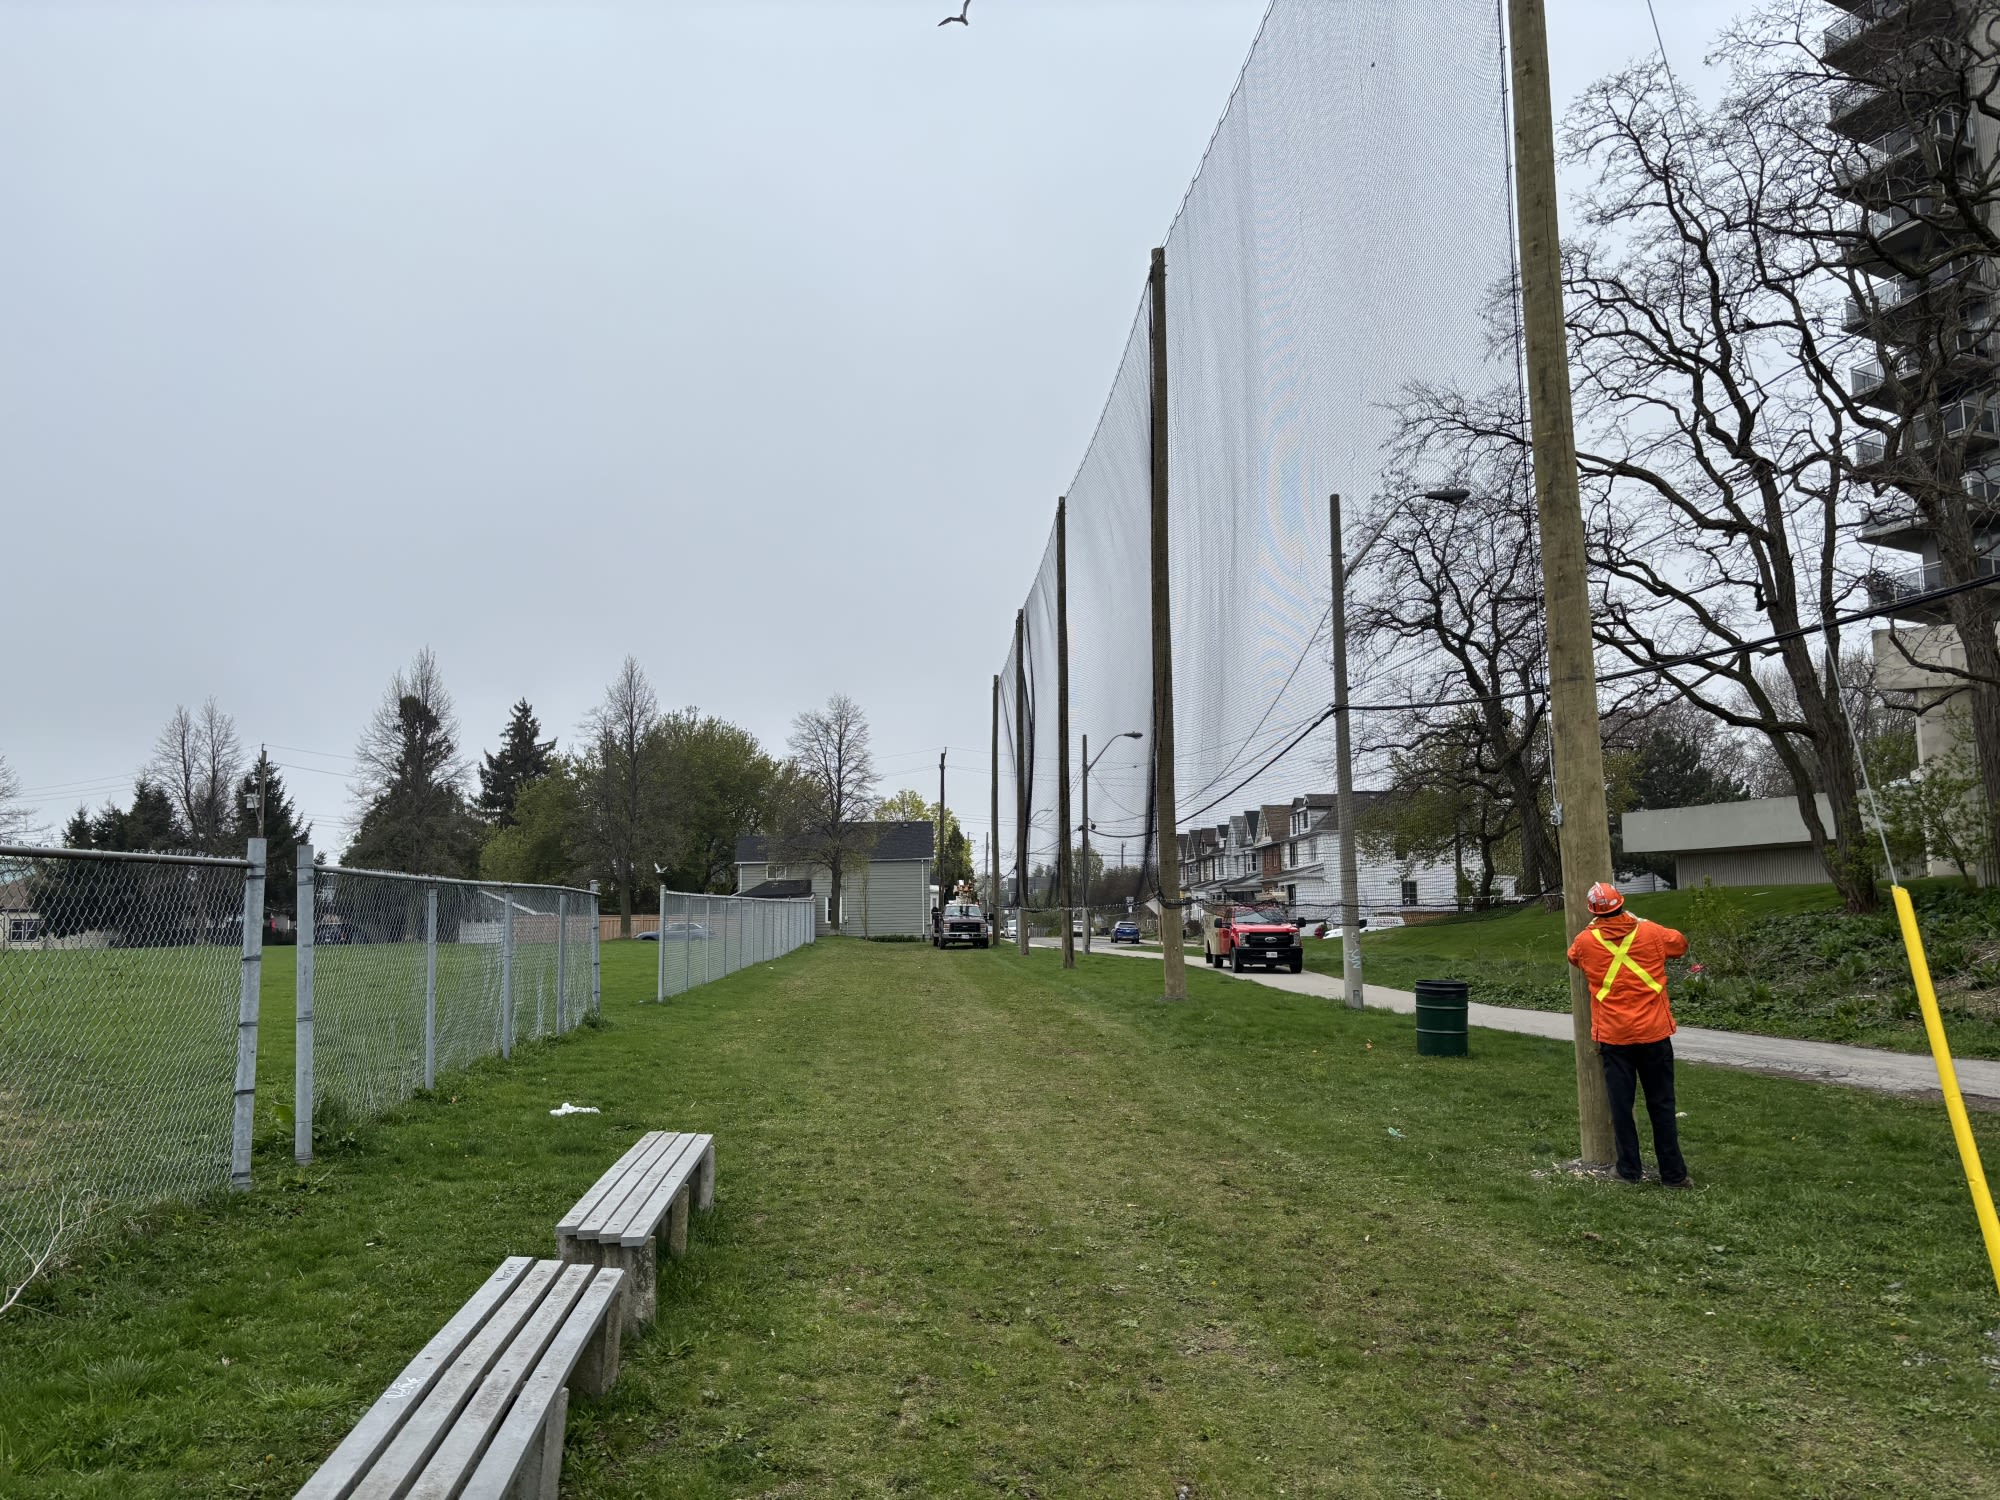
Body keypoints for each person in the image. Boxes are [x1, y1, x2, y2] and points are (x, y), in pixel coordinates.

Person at [1565, 881, 1692, 1188]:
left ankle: (1628, 1170)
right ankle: (1673, 1174)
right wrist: (1643, 922)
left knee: (1621, 1105)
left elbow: (1573, 956)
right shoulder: (1649, 932)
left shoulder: (1585, 941)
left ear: (1593, 912)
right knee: (1662, 1103)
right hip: (1654, 1033)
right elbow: (1680, 943)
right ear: (1622, 903)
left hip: (1614, 1036)